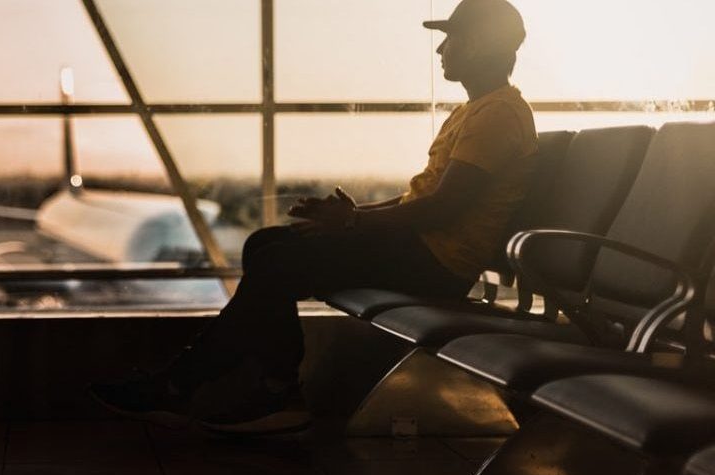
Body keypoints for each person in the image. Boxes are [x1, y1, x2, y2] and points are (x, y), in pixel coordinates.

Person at [89, 0, 538, 434]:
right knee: (265, 243)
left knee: (276, 261)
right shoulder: (476, 110)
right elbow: (420, 199)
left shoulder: (498, 115)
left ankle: (189, 386)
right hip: (421, 250)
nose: (441, 49)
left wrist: (353, 223)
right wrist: (349, 215)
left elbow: (443, 208)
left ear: (477, 44)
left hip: (435, 265)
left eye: (451, 38)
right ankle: (271, 387)